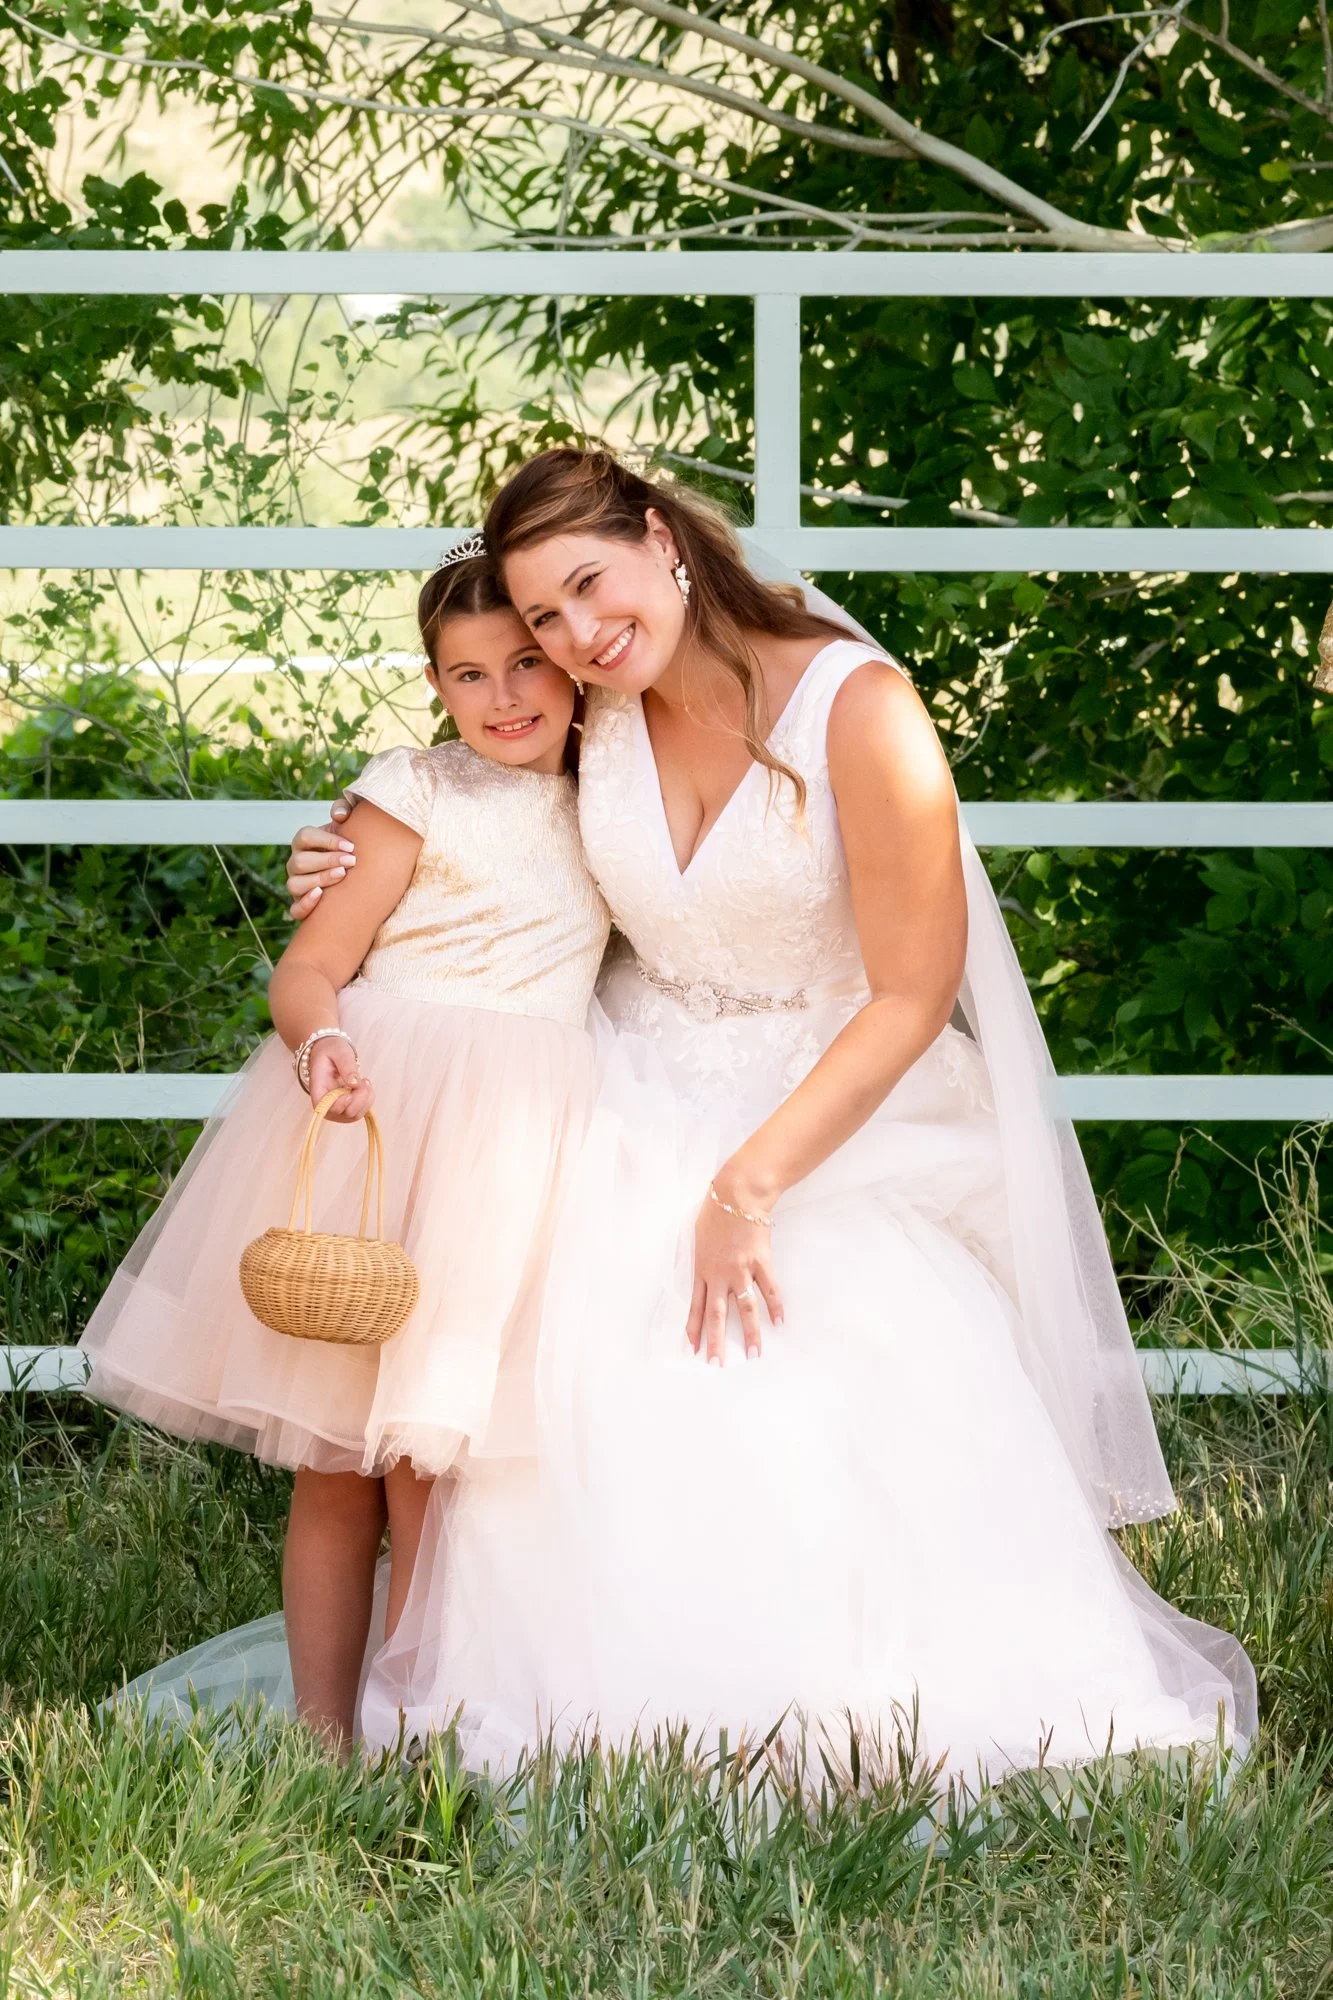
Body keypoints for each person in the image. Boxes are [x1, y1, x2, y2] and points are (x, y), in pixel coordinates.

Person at [289, 451, 1255, 1788]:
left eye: (591, 585)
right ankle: (549, 1698)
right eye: (545, 616)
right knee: (558, 1358)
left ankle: (824, 1700)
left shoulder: (856, 707)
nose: (577, 635)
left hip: (825, 1098)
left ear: (658, 535)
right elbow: (472, 817)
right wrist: (340, 854)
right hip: (623, 1083)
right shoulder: (590, 703)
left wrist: (744, 1190)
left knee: (795, 1350)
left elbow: (913, 992)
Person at [81, 546, 609, 1747]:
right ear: (434, 683)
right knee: (336, 1458)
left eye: (526, 662)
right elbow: (311, 964)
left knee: (432, 1459)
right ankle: (325, 1739)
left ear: (569, 659)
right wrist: (321, 1041)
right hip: (385, 1109)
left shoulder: (614, 792)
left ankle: (418, 1730)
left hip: (510, 1147)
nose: (503, 696)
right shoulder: (413, 789)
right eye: (467, 674)